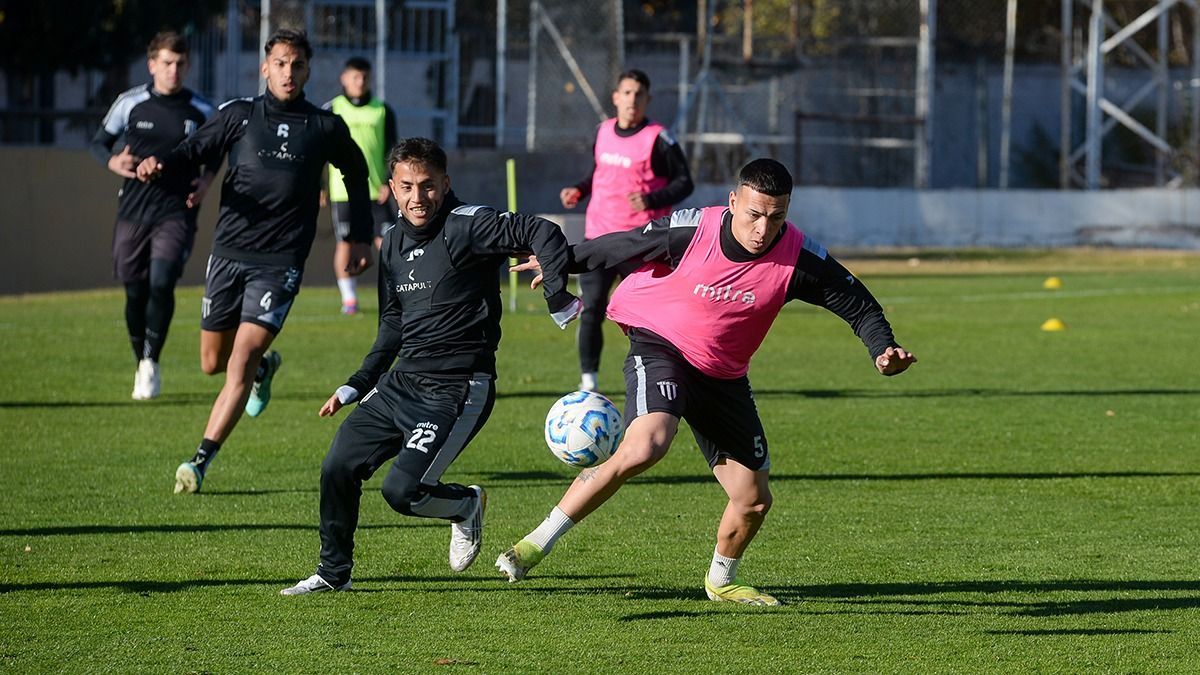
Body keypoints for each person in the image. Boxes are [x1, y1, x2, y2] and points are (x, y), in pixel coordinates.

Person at [498, 159, 917, 606]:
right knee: (646, 446)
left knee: (753, 500)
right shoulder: (693, 229)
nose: (763, 229)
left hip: (723, 376)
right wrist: (560, 259)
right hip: (661, 345)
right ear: (733, 201)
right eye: (754, 214)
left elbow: (858, 304)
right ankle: (533, 545)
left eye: (776, 217)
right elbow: (624, 245)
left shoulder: (799, 257)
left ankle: (721, 581)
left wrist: (883, 349)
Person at [280, 137, 582, 595]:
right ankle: (332, 573)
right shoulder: (393, 241)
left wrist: (557, 295)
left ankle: (464, 505)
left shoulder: (469, 225)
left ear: (445, 182)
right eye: (406, 187)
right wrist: (356, 384)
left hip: (457, 388)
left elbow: (542, 230)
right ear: (392, 188)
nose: (417, 197)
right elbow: (392, 322)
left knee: (402, 491)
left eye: (427, 185)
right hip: (401, 383)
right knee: (337, 465)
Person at [135, 29, 375, 494]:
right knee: (212, 363)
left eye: (297, 65)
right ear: (265, 67)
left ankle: (200, 460)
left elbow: (356, 170)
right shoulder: (238, 115)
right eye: (280, 63)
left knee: (241, 358)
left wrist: (361, 237)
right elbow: (192, 151)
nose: (288, 73)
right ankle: (265, 369)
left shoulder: (324, 126)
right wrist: (157, 164)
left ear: (308, 71)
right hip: (228, 254)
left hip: (280, 261)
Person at [90, 31, 215, 400]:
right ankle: (140, 360)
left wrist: (207, 181)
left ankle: (151, 361)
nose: (173, 70)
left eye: (180, 64)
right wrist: (113, 161)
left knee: (162, 282)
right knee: (135, 292)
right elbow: (99, 143)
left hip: (176, 211)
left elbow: (219, 149)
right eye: (166, 63)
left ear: (188, 66)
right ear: (152, 65)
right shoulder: (130, 103)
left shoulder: (202, 110)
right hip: (133, 210)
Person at [559, 68, 693, 393]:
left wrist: (651, 199)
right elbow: (597, 173)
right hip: (599, 237)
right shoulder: (603, 131)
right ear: (616, 97)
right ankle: (588, 382)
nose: (633, 100)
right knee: (592, 307)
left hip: (641, 243)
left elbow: (685, 183)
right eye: (627, 93)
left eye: (639, 94)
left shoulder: (659, 139)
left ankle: (657, 375)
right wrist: (579, 189)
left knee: (645, 315)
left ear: (647, 100)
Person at [322, 56, 398, 315]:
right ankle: (349, 299)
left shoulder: (382, 110)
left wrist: (389, 181)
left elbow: (392, 150)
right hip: (343, 191)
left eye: (364, 76)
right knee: (346, 243)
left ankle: (397, 293)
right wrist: (321, 186)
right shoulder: (332, 108)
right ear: (344, 78)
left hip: (376, 191)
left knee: (388, 243)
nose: (360, 81)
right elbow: (320, 151)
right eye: (355, 76)